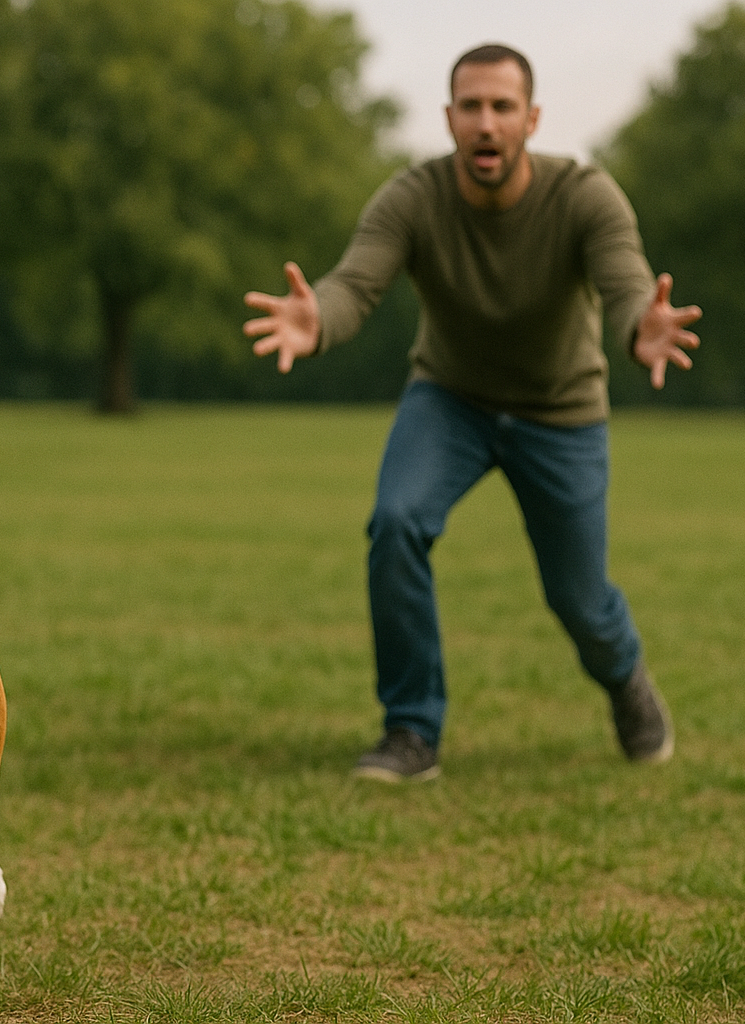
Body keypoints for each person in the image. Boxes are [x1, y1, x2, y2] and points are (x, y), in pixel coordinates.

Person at [243, 43, 701, 782]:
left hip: (562, 411)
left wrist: (638, 327)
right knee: (396, 523)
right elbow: (354, 285)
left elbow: (626, 285)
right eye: (471, 106)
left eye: (502, 107)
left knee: (580, 600)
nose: (486, 123)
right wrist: (317, 318)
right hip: (452, 399)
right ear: (451, 117)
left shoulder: (585, 196)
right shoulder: (414, 198)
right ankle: (412, 731)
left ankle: (626, 679)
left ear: (531, 118)